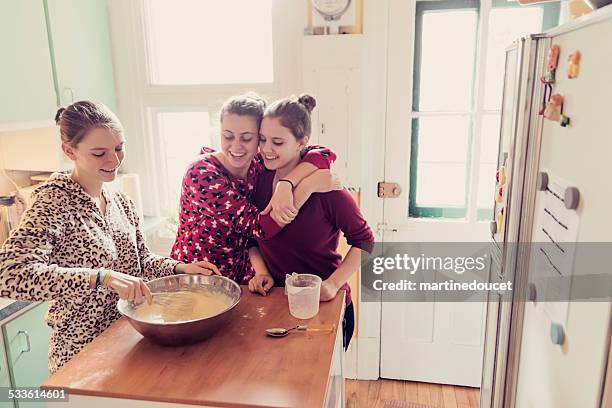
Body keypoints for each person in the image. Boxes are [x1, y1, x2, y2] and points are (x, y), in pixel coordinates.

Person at [0, 101, 219, 373]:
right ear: (69, 151)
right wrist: (100, 277)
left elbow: (140, 261)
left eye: (119, 148)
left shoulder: (120, 201)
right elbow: (9, 275)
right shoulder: (53, 202)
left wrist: (178, 267)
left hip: (128, 342)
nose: (114, 160)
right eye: (99, 153)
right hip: (80, 355)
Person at [247, 94, 375, 350]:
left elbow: (366, 242)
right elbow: (252, 237)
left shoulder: (328, 189)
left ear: (301, 142)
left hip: (325, 304)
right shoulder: (259, 181)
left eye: (278, 142)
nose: (266, 149)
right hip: (277, 303)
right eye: (262, 139)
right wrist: (261, 272)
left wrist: (334, 284)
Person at [171, 93, 338, 284]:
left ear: (260, 138)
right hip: (198, 279)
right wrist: (307, 186)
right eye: (227, 136)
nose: (236, 146)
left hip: (242, 280)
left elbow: (323, 153)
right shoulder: (201, 174)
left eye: (247, 138)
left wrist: (287, 182)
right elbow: (259, 228)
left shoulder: (259, 164)